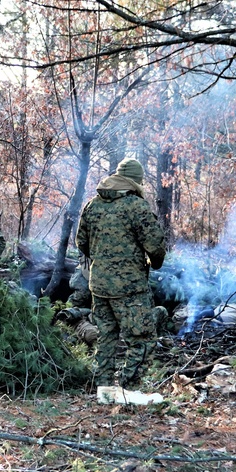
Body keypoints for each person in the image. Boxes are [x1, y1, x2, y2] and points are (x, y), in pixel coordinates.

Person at [77, 158, 166, 395]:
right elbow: (155, 246)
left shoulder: (92, 205)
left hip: (99, 286)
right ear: (136, 182)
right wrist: (154, 263)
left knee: (106, 337)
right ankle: (130, 390)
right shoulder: (136, 207)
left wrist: (103, 260)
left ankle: (104, 390)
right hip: (130, 288)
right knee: (142, 338)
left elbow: (81, 243)